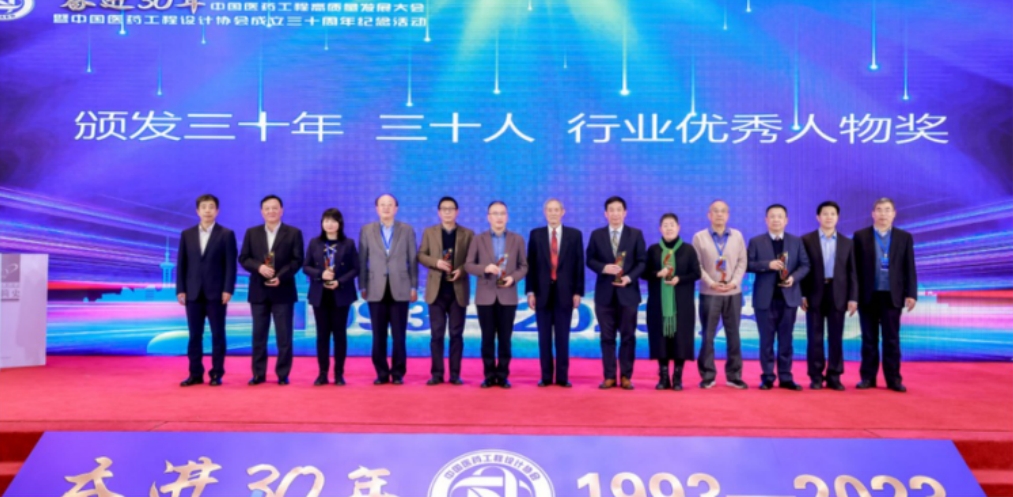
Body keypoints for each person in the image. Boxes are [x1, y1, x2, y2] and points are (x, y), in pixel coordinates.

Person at [239, 194, 305, 386]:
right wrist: (259, 267)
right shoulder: (252, 232)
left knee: (284, 336)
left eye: (275, 208)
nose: (271, 211)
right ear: (262, 212)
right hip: (259, 291)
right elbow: (244, 258)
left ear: (281, 210)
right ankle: (258, 374)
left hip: (283, 291)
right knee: (259, 335)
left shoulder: (293, 233)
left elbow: (297, 260)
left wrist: (280, 276)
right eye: (267, 208)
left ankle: (282, 374)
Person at [853, 197, 917, 393]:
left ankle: (894, 379)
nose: (883, 214)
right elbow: (854, 270)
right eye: (879, 210)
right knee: (868, 339)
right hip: (868, 295)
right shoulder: (860, 236)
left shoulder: (904, 237)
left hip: (892, 295)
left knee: (891, 340)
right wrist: (853, 296)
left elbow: (909, 267)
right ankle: (867, 378)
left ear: (894, 214)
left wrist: (911, 293)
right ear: (873, 213)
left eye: (887, 210)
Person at [465, 201, 528, 389]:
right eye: (495, 213)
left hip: (507, 295)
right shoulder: (478, 239)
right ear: (488, 217)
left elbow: (524, 266)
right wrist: (485, 268)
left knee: (505, 339)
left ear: (507, 216)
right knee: (487, 339)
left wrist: (513, 278)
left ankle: (502, 375)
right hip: (485, 296)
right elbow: (468, 265)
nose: (499, 217)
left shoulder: (517, 239)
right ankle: (489, 375)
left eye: (502, 213)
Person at [176, 194, 237, 387]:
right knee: (195, 335)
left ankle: (216, 373)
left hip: (217, 293)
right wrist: (181, 289)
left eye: (211, 207)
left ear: (217, 211)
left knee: (218, 334)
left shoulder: (226, 234)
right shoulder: (187, 235)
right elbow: (182, 264)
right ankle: (195, 374)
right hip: (193, 293)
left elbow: (230, 265)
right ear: (197, 211)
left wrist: (228, 289)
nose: (208, 210)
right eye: (204, 207)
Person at [747, 204, 810, 391]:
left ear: (786, 220)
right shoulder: (756, 241)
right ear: (766, 220)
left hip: (788, 299)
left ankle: (786, 377)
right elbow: (748, 264)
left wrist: (793, 278)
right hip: (764, 300)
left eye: (780, 216)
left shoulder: (796, 241)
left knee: (786, 340)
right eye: (772, 216)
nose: (776, 220)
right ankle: (767, 377)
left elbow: (805, 265)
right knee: (766, 341)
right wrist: (768, 265)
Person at [586, 196, 647, 390]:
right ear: (606, 214)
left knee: (628, 337)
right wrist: (603, 268)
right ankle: (609, 376)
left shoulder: (635, 234)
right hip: (604, 295)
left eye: (618, 209)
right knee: (607, 337)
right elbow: (589, 259)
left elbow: (642, 262)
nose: (615, 213)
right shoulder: (597, 235)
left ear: (625, 213)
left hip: (628, 294)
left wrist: (629, 277)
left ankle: (626, 376)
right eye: (611, 210)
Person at [359, 194, 418, 385]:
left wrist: (414, 286)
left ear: (396, 208)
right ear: (376, 208)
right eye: (382, 205)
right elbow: (362, 260)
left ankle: (398, 372)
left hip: (400, 288)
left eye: (390, 205)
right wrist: (362, 285)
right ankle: (382, 373)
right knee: (378, 335)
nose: (386, 208)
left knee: (399, 335)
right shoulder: (367, 230)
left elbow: (412, 260)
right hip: (375, 288)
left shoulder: (407, 230)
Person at [525, 198, 584, 388]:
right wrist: (530, 291)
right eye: (549, 210)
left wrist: (578, 292)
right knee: (543, 338)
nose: (553, 213)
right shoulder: (536, 235)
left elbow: (579, 265)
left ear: (562, 212)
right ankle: (546, 376)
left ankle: (562, 377)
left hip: (565, 293)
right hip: (541, 293)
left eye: (556, 210)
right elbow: (530, 265)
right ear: (545, 212)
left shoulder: (574, 235)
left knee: (562, 337)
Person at [691, 200, 749, 390]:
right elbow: (697, 265)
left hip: (733, 293)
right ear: (709, 215)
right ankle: (708, 375)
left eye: (723, 211)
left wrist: (734, 282)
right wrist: (711, 283)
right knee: (708, 335)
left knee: (734, 335)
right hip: (710, 293)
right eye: (715, 211)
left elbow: (742, 262)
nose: (719, 214)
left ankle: (734, 376)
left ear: (728, 215)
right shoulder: (699, 237)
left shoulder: (737, 236)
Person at [801, 201, 858, 391]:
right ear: (818, 217)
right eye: (825, 214)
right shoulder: (806, 240)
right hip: (814, 293)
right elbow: (802, 269)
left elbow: (852, 272)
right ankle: (816, 376)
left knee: (836, 337)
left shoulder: (847, 243)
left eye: (833, 214)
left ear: (838, 217)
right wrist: (802, 294)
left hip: (838, 294)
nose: (829, 217)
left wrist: (853, 297)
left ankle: (834, 375)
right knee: (814, 338)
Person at [418, 196, 474, 385]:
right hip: (436, 291)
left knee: (456, 335)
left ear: (457, 212)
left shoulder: (468, 234)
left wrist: (462, 270)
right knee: (437, 335)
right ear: (439, 212)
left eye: (451, 209)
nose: (447, 212)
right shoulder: (429, 232)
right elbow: (421, 255)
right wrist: (436, 263)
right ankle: (437, 374)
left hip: (458, 291)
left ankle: (455, 374)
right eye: (444, 209)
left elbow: (472, 260)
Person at [644, 213, 701, 391]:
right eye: (665, 225)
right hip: (658, 303)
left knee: (680, 339)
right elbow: (644, 273)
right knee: (660, 338)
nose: (669, 228)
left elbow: (696, 273)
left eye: (672, 224)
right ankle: (663, 377)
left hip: (682, 303)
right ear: (660, 229)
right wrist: (657, 274)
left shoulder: (688, 250)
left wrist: (679, 279)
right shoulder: (653, 250)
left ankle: (677, 378)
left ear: (678, 227)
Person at [303, 208, 359, 386]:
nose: (329, 224)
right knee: (322, 335)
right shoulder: (315, 243)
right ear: (322, 223)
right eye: (326, 220)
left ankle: (339, 374)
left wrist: (339, 281)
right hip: (320, 295)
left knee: (339, 335)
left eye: (333, 221)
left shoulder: (348, 243)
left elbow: (356, 268)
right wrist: (320, 274)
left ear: (340, 224)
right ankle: (322, 373)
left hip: (341, 294)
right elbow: (306, 267)